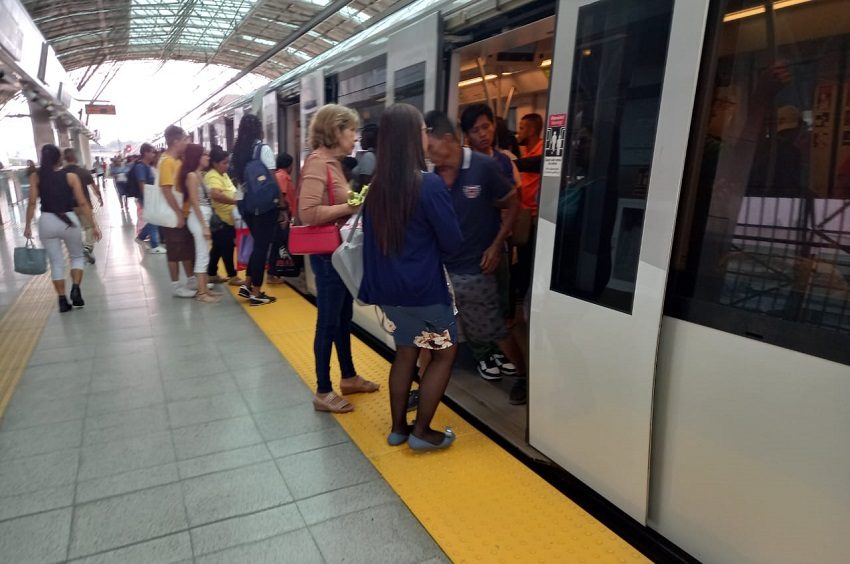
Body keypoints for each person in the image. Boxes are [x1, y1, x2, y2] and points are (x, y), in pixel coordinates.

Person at [360, 103, 463, 449]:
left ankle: (397, 429)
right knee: (443, 353)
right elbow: (453, 242)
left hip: (389, 293)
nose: (426, 136)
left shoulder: (376, 188)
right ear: (411, 137)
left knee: (406, 352)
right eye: (423, 130)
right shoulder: (429, 185)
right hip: (424, 291)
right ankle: (422, 432)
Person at [425, 110, 528, 405]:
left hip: (474, 268)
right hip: (439, 270)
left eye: (430, 147)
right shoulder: (431, 176)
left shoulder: (483, 167)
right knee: (430, 331)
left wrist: (496, 245)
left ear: (447, 139)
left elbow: (513, 203)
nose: (428, 154)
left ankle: (524, 376)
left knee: (494, 329)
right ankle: (425, 385)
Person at [299, 103, 380, 413]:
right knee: (328, 322)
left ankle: (348, 377)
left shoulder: (333, 163)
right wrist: (350, 207)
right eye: (351, 130)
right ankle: (323, 390)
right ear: (335, 130)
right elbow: (307, 213)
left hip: (337, 254)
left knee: (343, 318)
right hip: (327, 257)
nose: (355, 136)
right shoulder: (318, 163)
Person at [459, 104, 522, 381]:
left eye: (486, 127)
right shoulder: (463, 164)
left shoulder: (504, 160)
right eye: (476, 130)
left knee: (499, 300)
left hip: (500, 239)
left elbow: (515, 197)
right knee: (476, 305)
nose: (483, 134)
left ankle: (498, 351)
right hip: (473, 246)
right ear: (466, 135)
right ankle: (483, 353)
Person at [24, 144, 101, 312]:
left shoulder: (35, 177)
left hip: (46, 221)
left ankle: (62, 300)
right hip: (68, 221)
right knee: (77, 257)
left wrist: (28, 225)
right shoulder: (71, 177)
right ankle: (76, 290)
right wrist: (93, 225)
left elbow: (31, 202)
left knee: (56, 262)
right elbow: (82, 202)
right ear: (59, 159)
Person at [230, 114, 278, 306]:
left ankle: (248, 285)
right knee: (261, 248)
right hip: (264, 204)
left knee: (258, 244)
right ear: (259, 129)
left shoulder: (238, 152)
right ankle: (257, 293)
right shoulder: (262, 149)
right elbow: (273, 180)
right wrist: (282, 204)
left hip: (245, 204)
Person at [159, 125, 197, 298]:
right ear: (175, 141)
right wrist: (178, 213)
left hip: (183, 213)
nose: (186, 143)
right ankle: (176, 285)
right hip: (173, 215)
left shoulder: (177, 160)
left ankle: (191, 279)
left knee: (186, 247)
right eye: (183, 140)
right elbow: (166, 190)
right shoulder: (167, 161)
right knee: (174, 250)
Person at [180, 144, 221, 303]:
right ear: (196, 157)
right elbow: (194, 202)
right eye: (204, 154)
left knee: (203, 254)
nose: (208, 157)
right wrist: (204, 225)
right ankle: (202, 293)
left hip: (202, 216)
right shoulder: (192, 175)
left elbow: (205, 195)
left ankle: (204, 290)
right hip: (198, 217)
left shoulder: (198, 174)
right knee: (202, 254)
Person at [205, 146, 244, 286]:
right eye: (224, 163)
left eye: (228, 162)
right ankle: (232, 276)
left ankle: (211, 274)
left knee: (218, 247)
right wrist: (235, 202)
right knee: (227, 247)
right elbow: (216, 195)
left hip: (229, 218)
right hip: (220, 219)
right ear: (215, 163)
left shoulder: (223, 174)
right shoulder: (212, 176)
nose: (227, 166)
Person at [62, 148, 102, 265]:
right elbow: (94, 187)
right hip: (84, 205)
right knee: (90, 227)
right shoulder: (84, 172)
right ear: (75, 158)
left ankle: (79, 252)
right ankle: (87, 247)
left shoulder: (61, 174)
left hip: (68, 207)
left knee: (74, 230)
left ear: (65, 159)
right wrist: (99, 197)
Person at [132, 143, 166, 254]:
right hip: (147, 198)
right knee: (153, 220)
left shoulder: (147, 166)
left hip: (152, 197)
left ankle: (141, 237)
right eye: (152, 152)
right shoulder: (141, 167)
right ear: (145, 153)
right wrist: (148, 200)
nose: (154, 154)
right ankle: (154, 245)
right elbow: (142, 185)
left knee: (154, 219)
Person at [352, 123, 378, 190]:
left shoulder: (369, 156)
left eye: (362, 138)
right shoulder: (374, 155)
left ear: (369, 139)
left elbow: (364, 183)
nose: (360, 141)